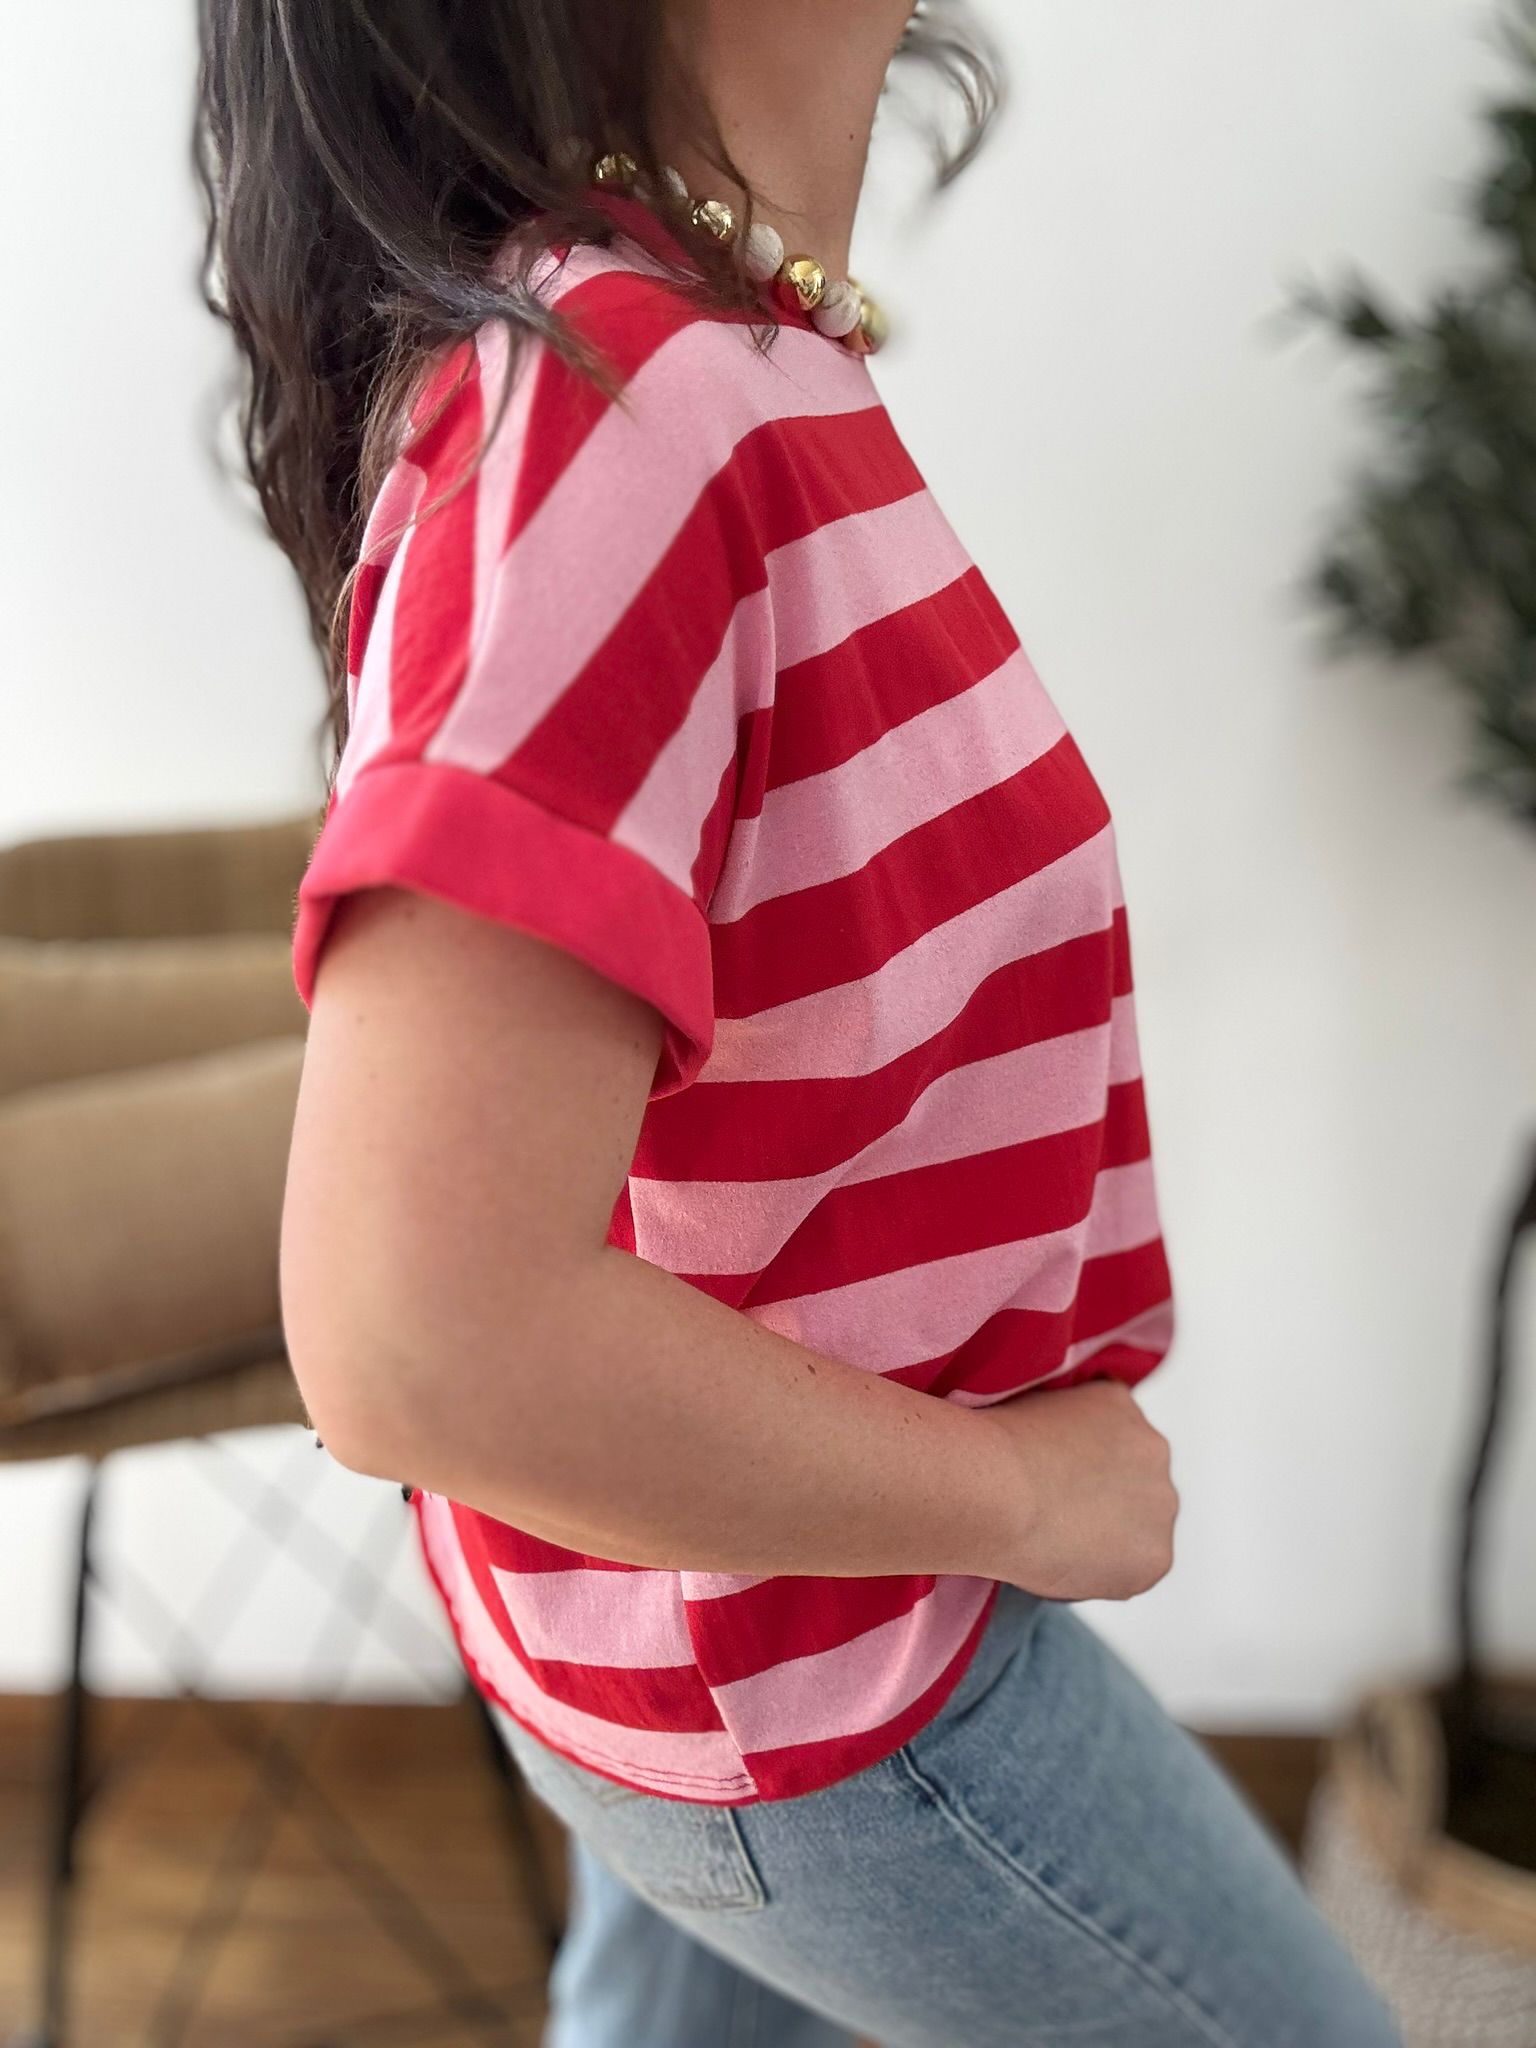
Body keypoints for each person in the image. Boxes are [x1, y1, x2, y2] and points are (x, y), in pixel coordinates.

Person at [197, 2, 1404, 2041]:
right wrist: (1023, 1501)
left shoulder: (716, 361)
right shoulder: (612, 410)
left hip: (760, 1628)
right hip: (825, 1671)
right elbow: (415, 1334)